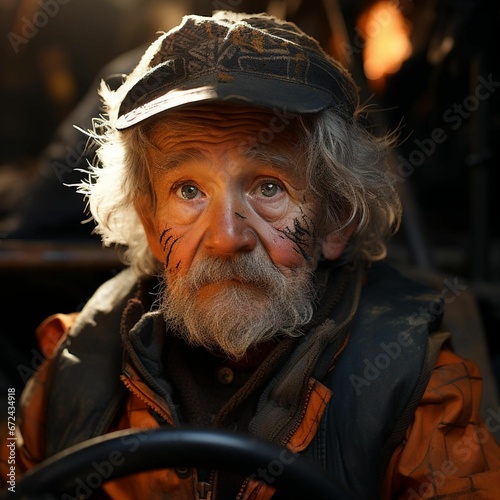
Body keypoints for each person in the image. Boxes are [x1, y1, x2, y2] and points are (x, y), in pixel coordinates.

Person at [2, 10, 500, 499]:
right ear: (152, 225)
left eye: (268, 186)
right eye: (188, 190)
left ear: (337, 220)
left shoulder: (417, 386)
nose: (225, 236)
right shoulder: (74, 362)